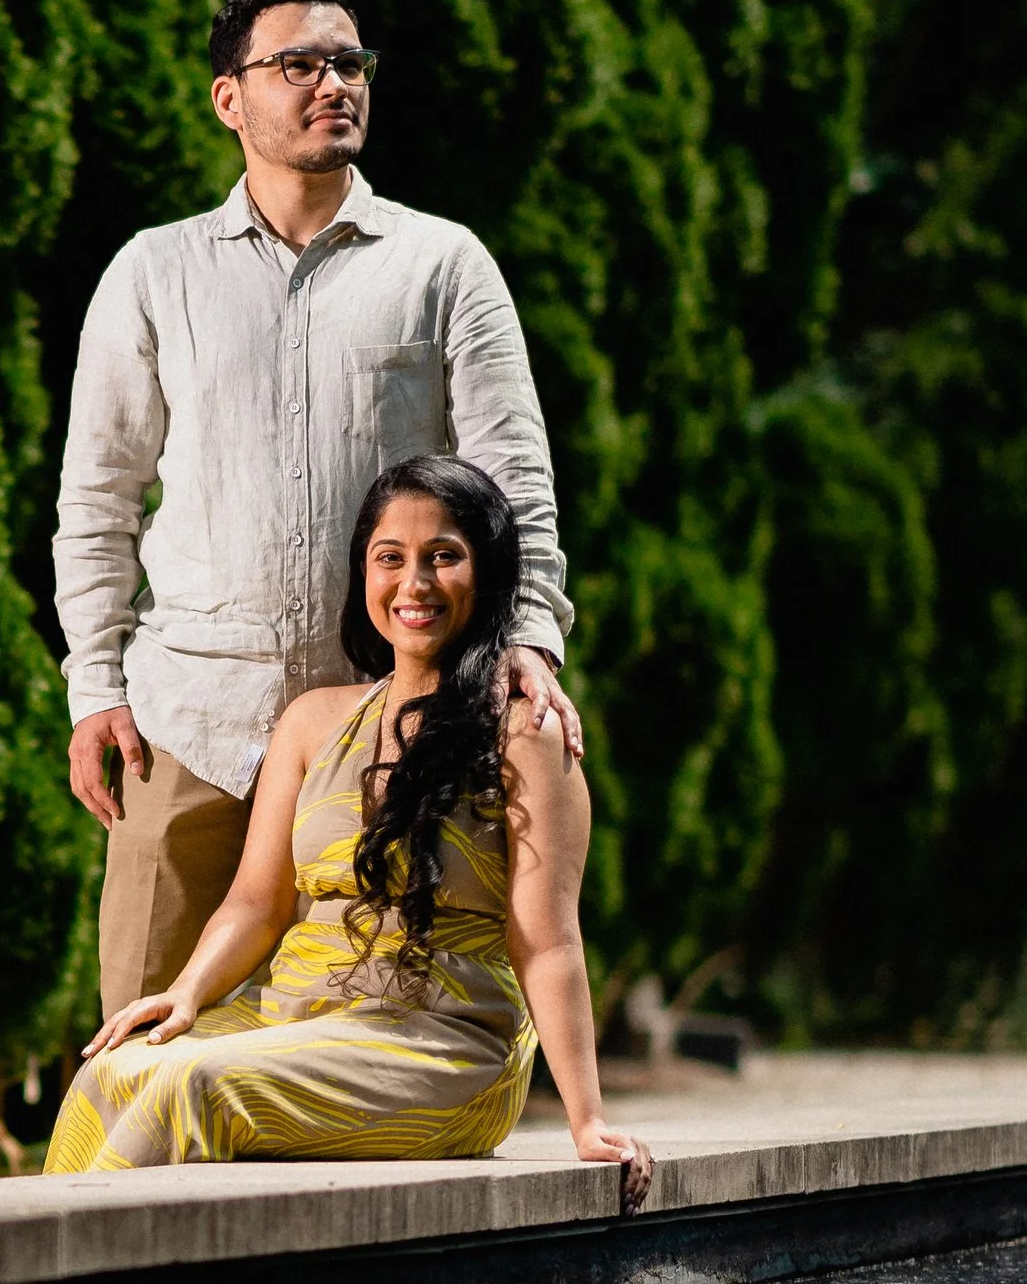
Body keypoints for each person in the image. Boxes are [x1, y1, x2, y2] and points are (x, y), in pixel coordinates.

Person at [55, 0, 578, 1023]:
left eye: (350, 63)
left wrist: (529, 638)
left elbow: (513, 481)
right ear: (230, 98)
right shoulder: (153, 273)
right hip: (188, 727)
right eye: (298, 64)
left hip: (387, 732)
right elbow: (98, 500)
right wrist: (95, 687)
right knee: (140, 1059)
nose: (333, 84)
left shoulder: (442, 265)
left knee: (359, 1059)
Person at [41, 452, 651, 1195]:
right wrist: (189, 991)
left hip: (440, 1043)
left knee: (192, 1087)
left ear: (488, 572)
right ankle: (50, 1273)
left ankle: (110, 1274)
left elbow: (547, 940)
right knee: (114, 1072)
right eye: (390, 557)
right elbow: (256, 903)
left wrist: (587, 1120)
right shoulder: (312, 721)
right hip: (295, 1014)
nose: (415, 583)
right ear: (364, 573)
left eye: (444, 556)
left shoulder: (525, 733)